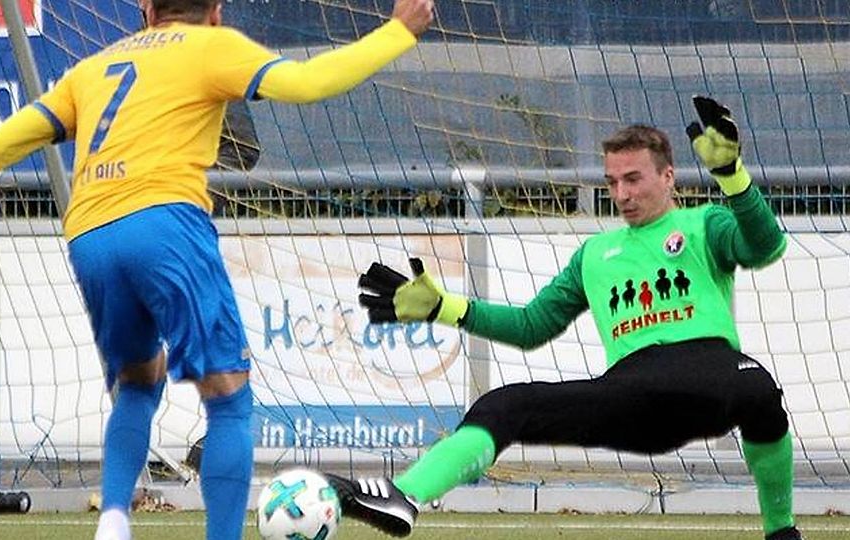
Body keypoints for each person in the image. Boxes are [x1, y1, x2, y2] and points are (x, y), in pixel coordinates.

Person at [0, 0, 434, 538]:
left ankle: (112, 519)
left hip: (89, 234)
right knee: (227, 397)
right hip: (166, 224)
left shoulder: (94, 68)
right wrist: (397, 32)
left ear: (147, 10)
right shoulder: (212, 47)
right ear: (217, 12)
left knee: (137, 382)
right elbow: (311, 81)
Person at [328, 96, 800, 540]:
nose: (621, 193)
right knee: (504, 405)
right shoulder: (594, 254)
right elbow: (533, 326)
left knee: (757, 388)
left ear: (669, 176)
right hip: (635, 397)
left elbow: (766, 246)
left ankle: (782, 531)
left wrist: (731, 174)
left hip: (711, 374)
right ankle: (405, 495)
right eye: (613, 182)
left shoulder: (704, 224)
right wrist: (442, 307)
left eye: (633, 178)